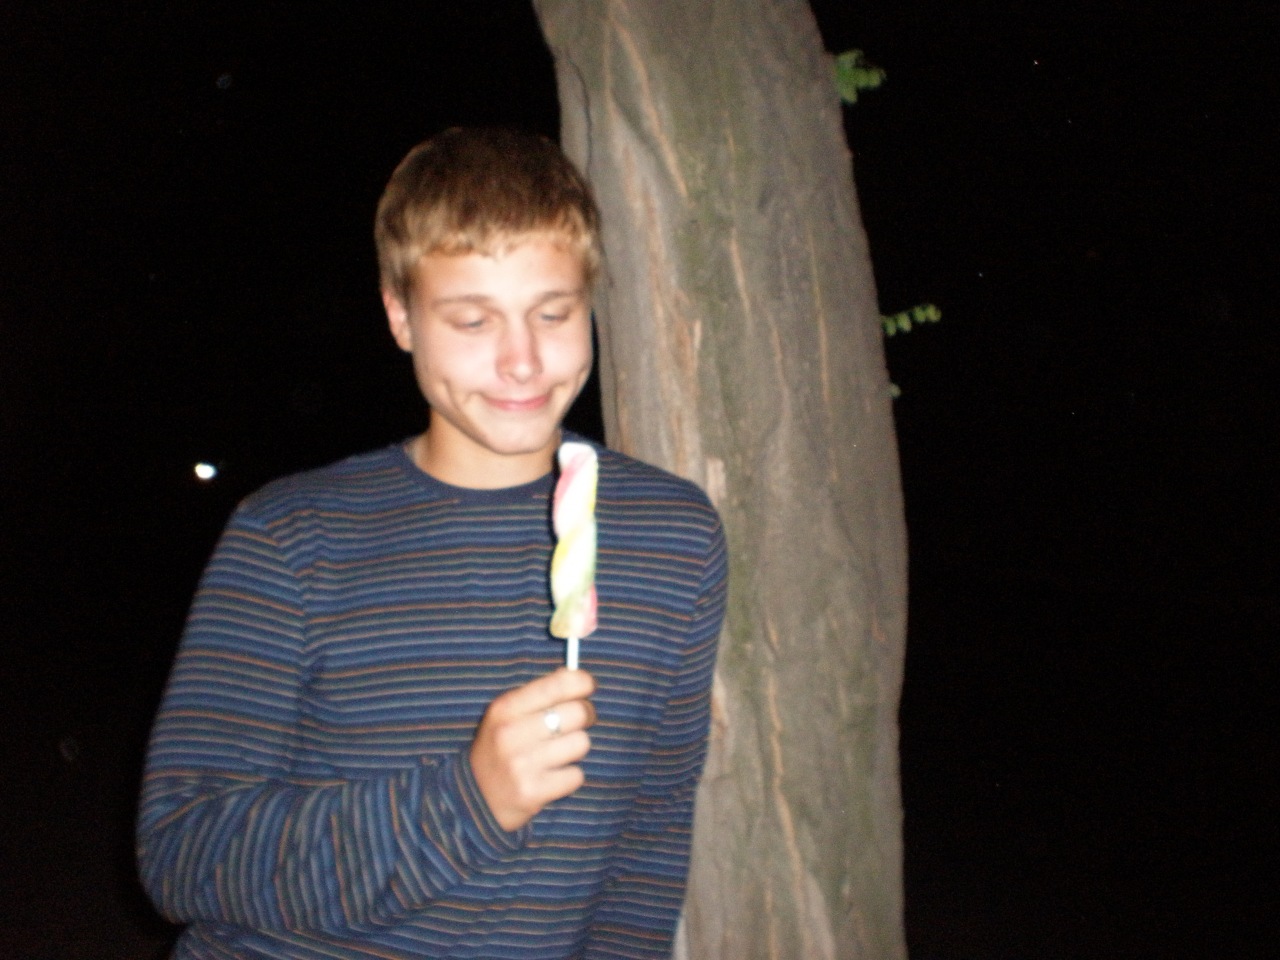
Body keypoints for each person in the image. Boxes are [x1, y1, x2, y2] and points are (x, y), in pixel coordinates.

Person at [136, 127, 728, 960]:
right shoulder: (289, 537)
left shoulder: (675, 540)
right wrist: (467, 802)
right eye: (473, 320)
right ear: (401, 316)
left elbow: (650, 834)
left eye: (553, 313)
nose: (522, 361)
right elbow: (180, 852)